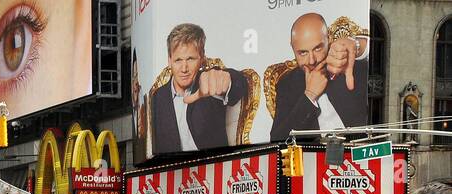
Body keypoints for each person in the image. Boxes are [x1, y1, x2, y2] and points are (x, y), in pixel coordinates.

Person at [149, 23, 249, 155]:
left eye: (190, 59)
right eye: (178, 60)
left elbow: (239, 84)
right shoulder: (157, 98)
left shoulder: (208, 82)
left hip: (215, 170)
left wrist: (227, 80)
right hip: (174, 172)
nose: (184, 69)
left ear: (202, 58)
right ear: (169, 60)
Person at [269, 12, 369, 141]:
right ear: (293, 48)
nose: (311, 61)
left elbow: (382, 51)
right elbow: (277, 139)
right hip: (315, 158)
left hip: (361, 152)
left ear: (328, 39)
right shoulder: (287, 84)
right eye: (303, 52)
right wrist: (309, 95)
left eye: (317, 49)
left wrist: (357, 45)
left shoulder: (345, 61)